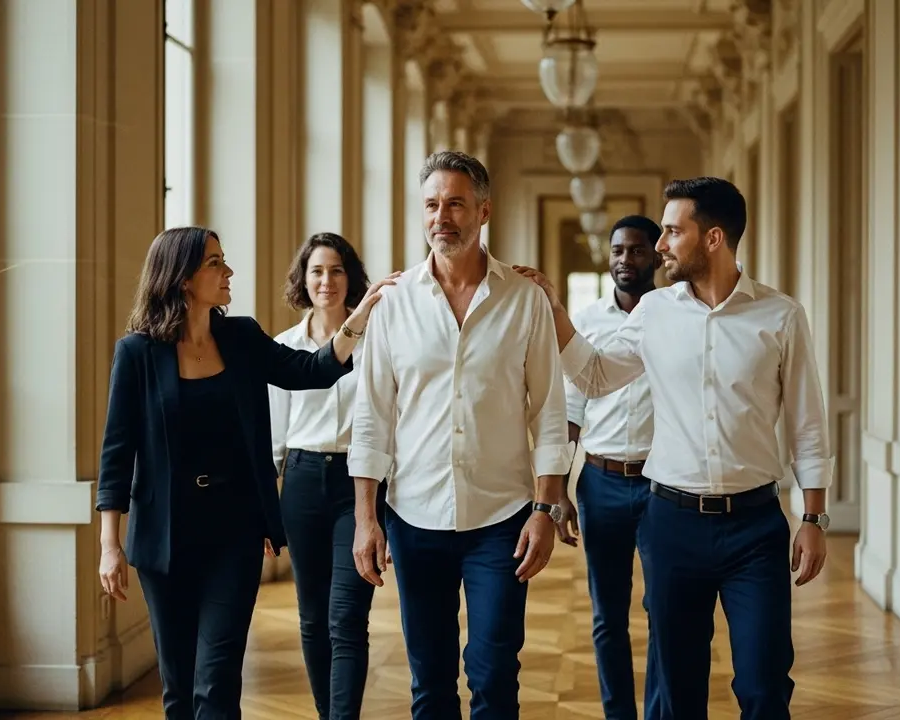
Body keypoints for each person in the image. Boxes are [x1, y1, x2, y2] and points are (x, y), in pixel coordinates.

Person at [514, 177, 833, 720]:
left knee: (763, 685)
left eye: (670, 231)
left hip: (755, 528)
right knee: (678, 689)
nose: (659, 245)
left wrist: (815, 517)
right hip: (672, 523)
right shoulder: (655, 311)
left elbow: (808, 423)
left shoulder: (781, 317)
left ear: (712, 238)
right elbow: (594, 376)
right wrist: (555, 309)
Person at [95, 226, 394, 719]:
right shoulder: (137, 353)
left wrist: (356, 321)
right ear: (183, 277)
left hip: (233, 531)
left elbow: (310, 370)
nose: (228, 270)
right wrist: (110, 543)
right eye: (215, 263)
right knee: (179, 684)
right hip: (164, 536)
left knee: (217, 680)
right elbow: (116, 452)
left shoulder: (240, 337)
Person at [347, 150, 572, 720]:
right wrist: (366, 519)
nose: (441, 216)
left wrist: (545, 510)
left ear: (483, 211)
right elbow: (372, 417)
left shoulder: (525, 301)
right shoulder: (393, 304)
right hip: (414, 516)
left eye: (454, 203)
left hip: (504, 519)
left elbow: (549, 413)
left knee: (495, 671)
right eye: (431, 204)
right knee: (429, 677)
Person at [269, 232, 386, 720]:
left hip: (356, 487)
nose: (327, 280)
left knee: (347, 617)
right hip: (300, 482)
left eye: (336, 270)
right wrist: (264, 511)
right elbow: (273, 438)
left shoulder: (377, 341)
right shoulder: (283, 347)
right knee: (313, 617)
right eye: (317, 271)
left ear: (350, 278)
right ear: (304, 279)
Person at [561, 215, 662, 720]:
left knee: (662, 611)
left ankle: (660, 711)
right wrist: (557, 487)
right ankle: (618, 713)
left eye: (638, 250)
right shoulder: (587, 320)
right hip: (600, 483)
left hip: (664, 485)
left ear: (657, 256)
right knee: (608, 616)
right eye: (619, 250)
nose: (626, 260)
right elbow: (572, 409)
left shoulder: (674, 315)